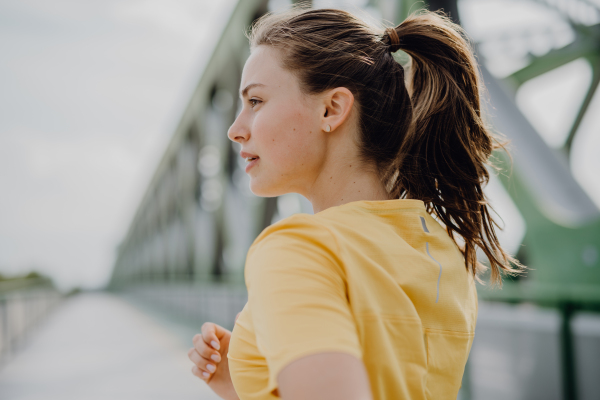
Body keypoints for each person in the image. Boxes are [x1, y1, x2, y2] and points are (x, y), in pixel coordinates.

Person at [187, 6, 523, 400]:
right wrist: (247, 381)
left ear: (331, 109)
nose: (234, 130)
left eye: (256, 101)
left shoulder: (298, 249)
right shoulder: (442, 252)